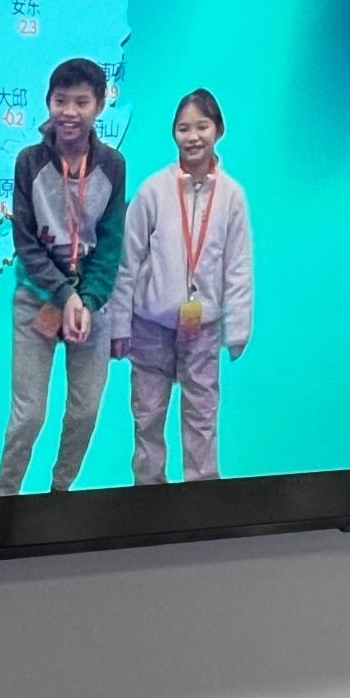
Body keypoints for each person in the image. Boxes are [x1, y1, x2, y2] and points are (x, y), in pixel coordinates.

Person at [104, 88, 254, 484]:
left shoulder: (232, 196)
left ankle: (202, 498)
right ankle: (149, 493)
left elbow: (238, 267)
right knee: (147, 417)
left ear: (218, 130)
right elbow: (127, 263)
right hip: (150, 327)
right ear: (173, 134)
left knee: (202, 417)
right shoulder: (153, 190)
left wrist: (238, 328)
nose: (193, 136)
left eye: (202, 126)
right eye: (184, 128)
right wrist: (118, 327)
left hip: (203, 329)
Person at [0, 58, 128, 495]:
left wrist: (86, 300)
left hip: (92, 304)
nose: (69, 112)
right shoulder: (29, 162)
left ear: (100, 106)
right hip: (37, 299)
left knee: (84, 412)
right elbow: (26, 241)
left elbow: (110, 242)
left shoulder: (113, 165)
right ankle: (5, 497)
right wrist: (62, 294)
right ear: (48, 102)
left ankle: (59, 493)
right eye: (61, 100)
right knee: (29, 414)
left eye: (81, 102)